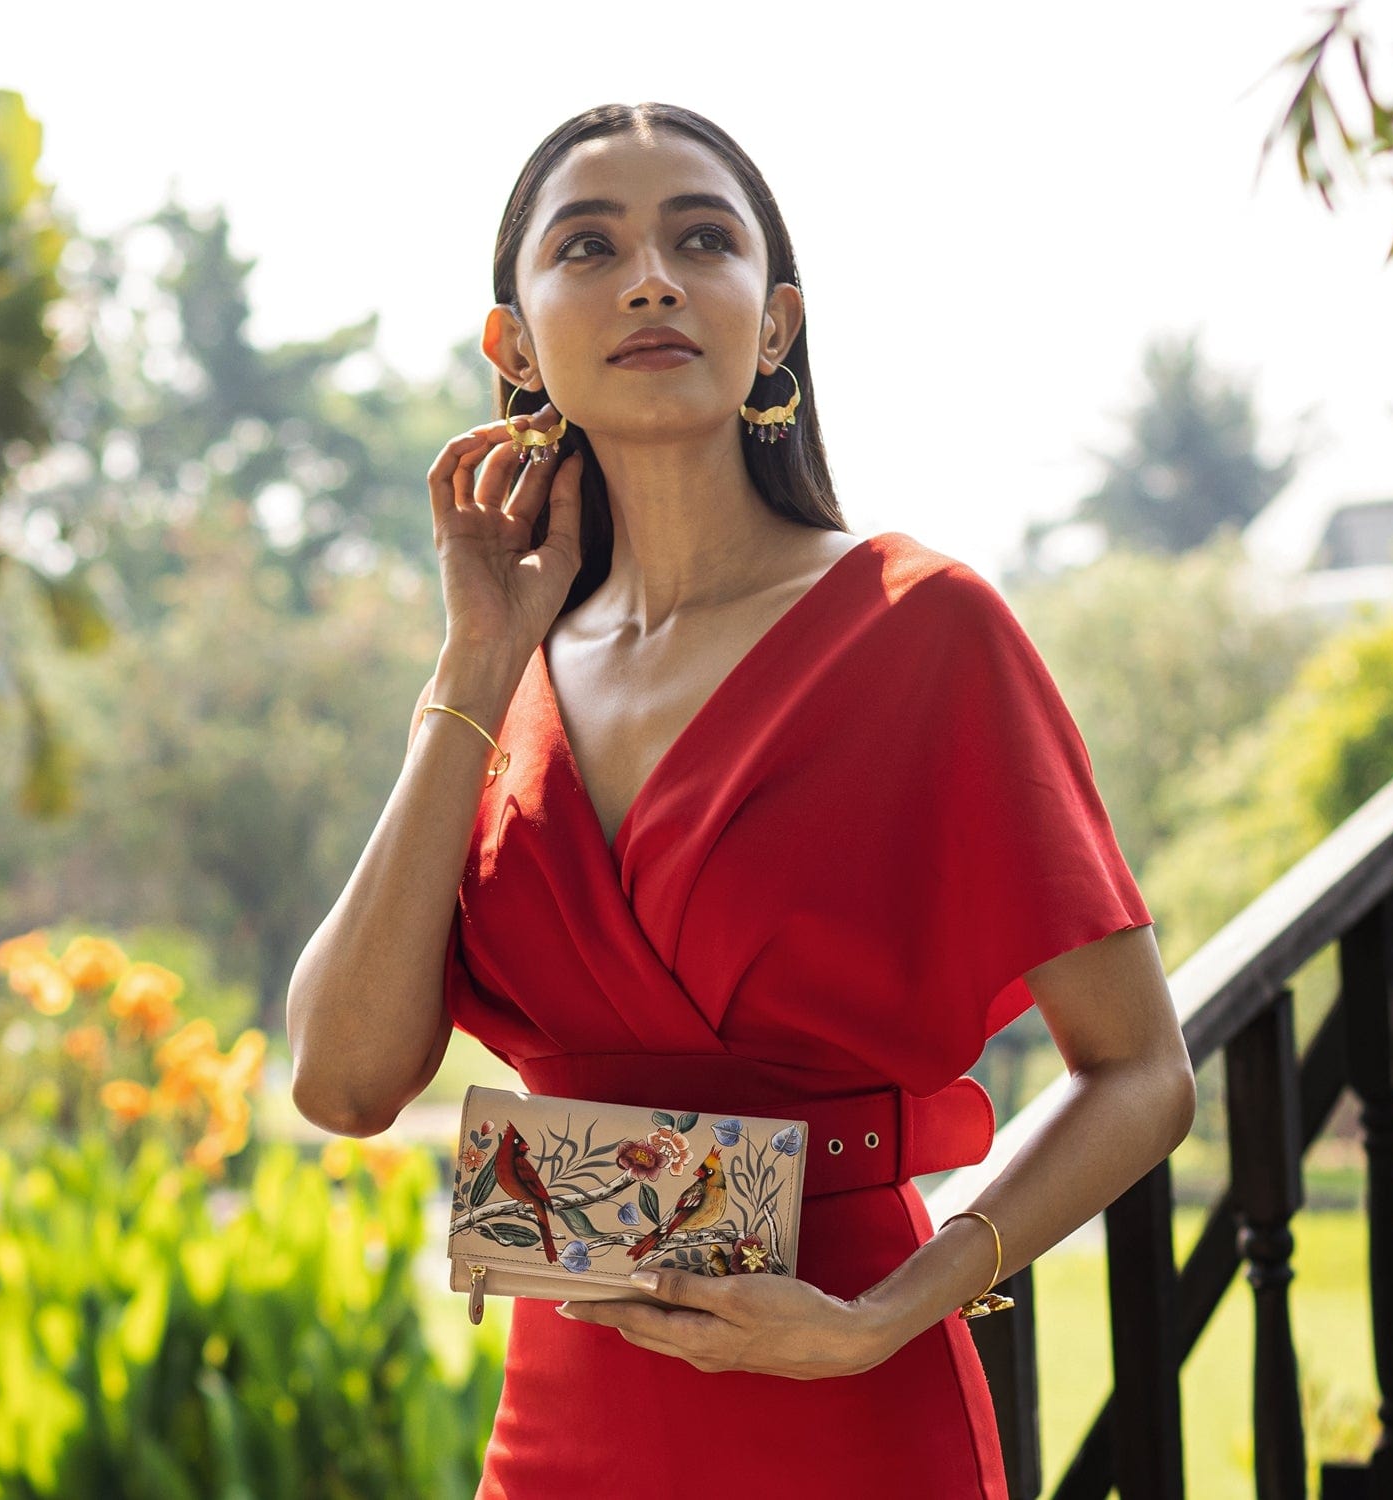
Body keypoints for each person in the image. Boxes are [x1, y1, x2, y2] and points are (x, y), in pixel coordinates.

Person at [285, 102, 1196, 1499]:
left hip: (849, 1398)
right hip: (564, 1426)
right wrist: (473, 659)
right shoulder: (502, 687)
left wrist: (895, 1310)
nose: (651, 275)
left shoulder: (925, 630)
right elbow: (343, 1082)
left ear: (772, 324)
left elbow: (1140, 1069)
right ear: (513, 345)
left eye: (700, 239)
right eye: (588, 247)